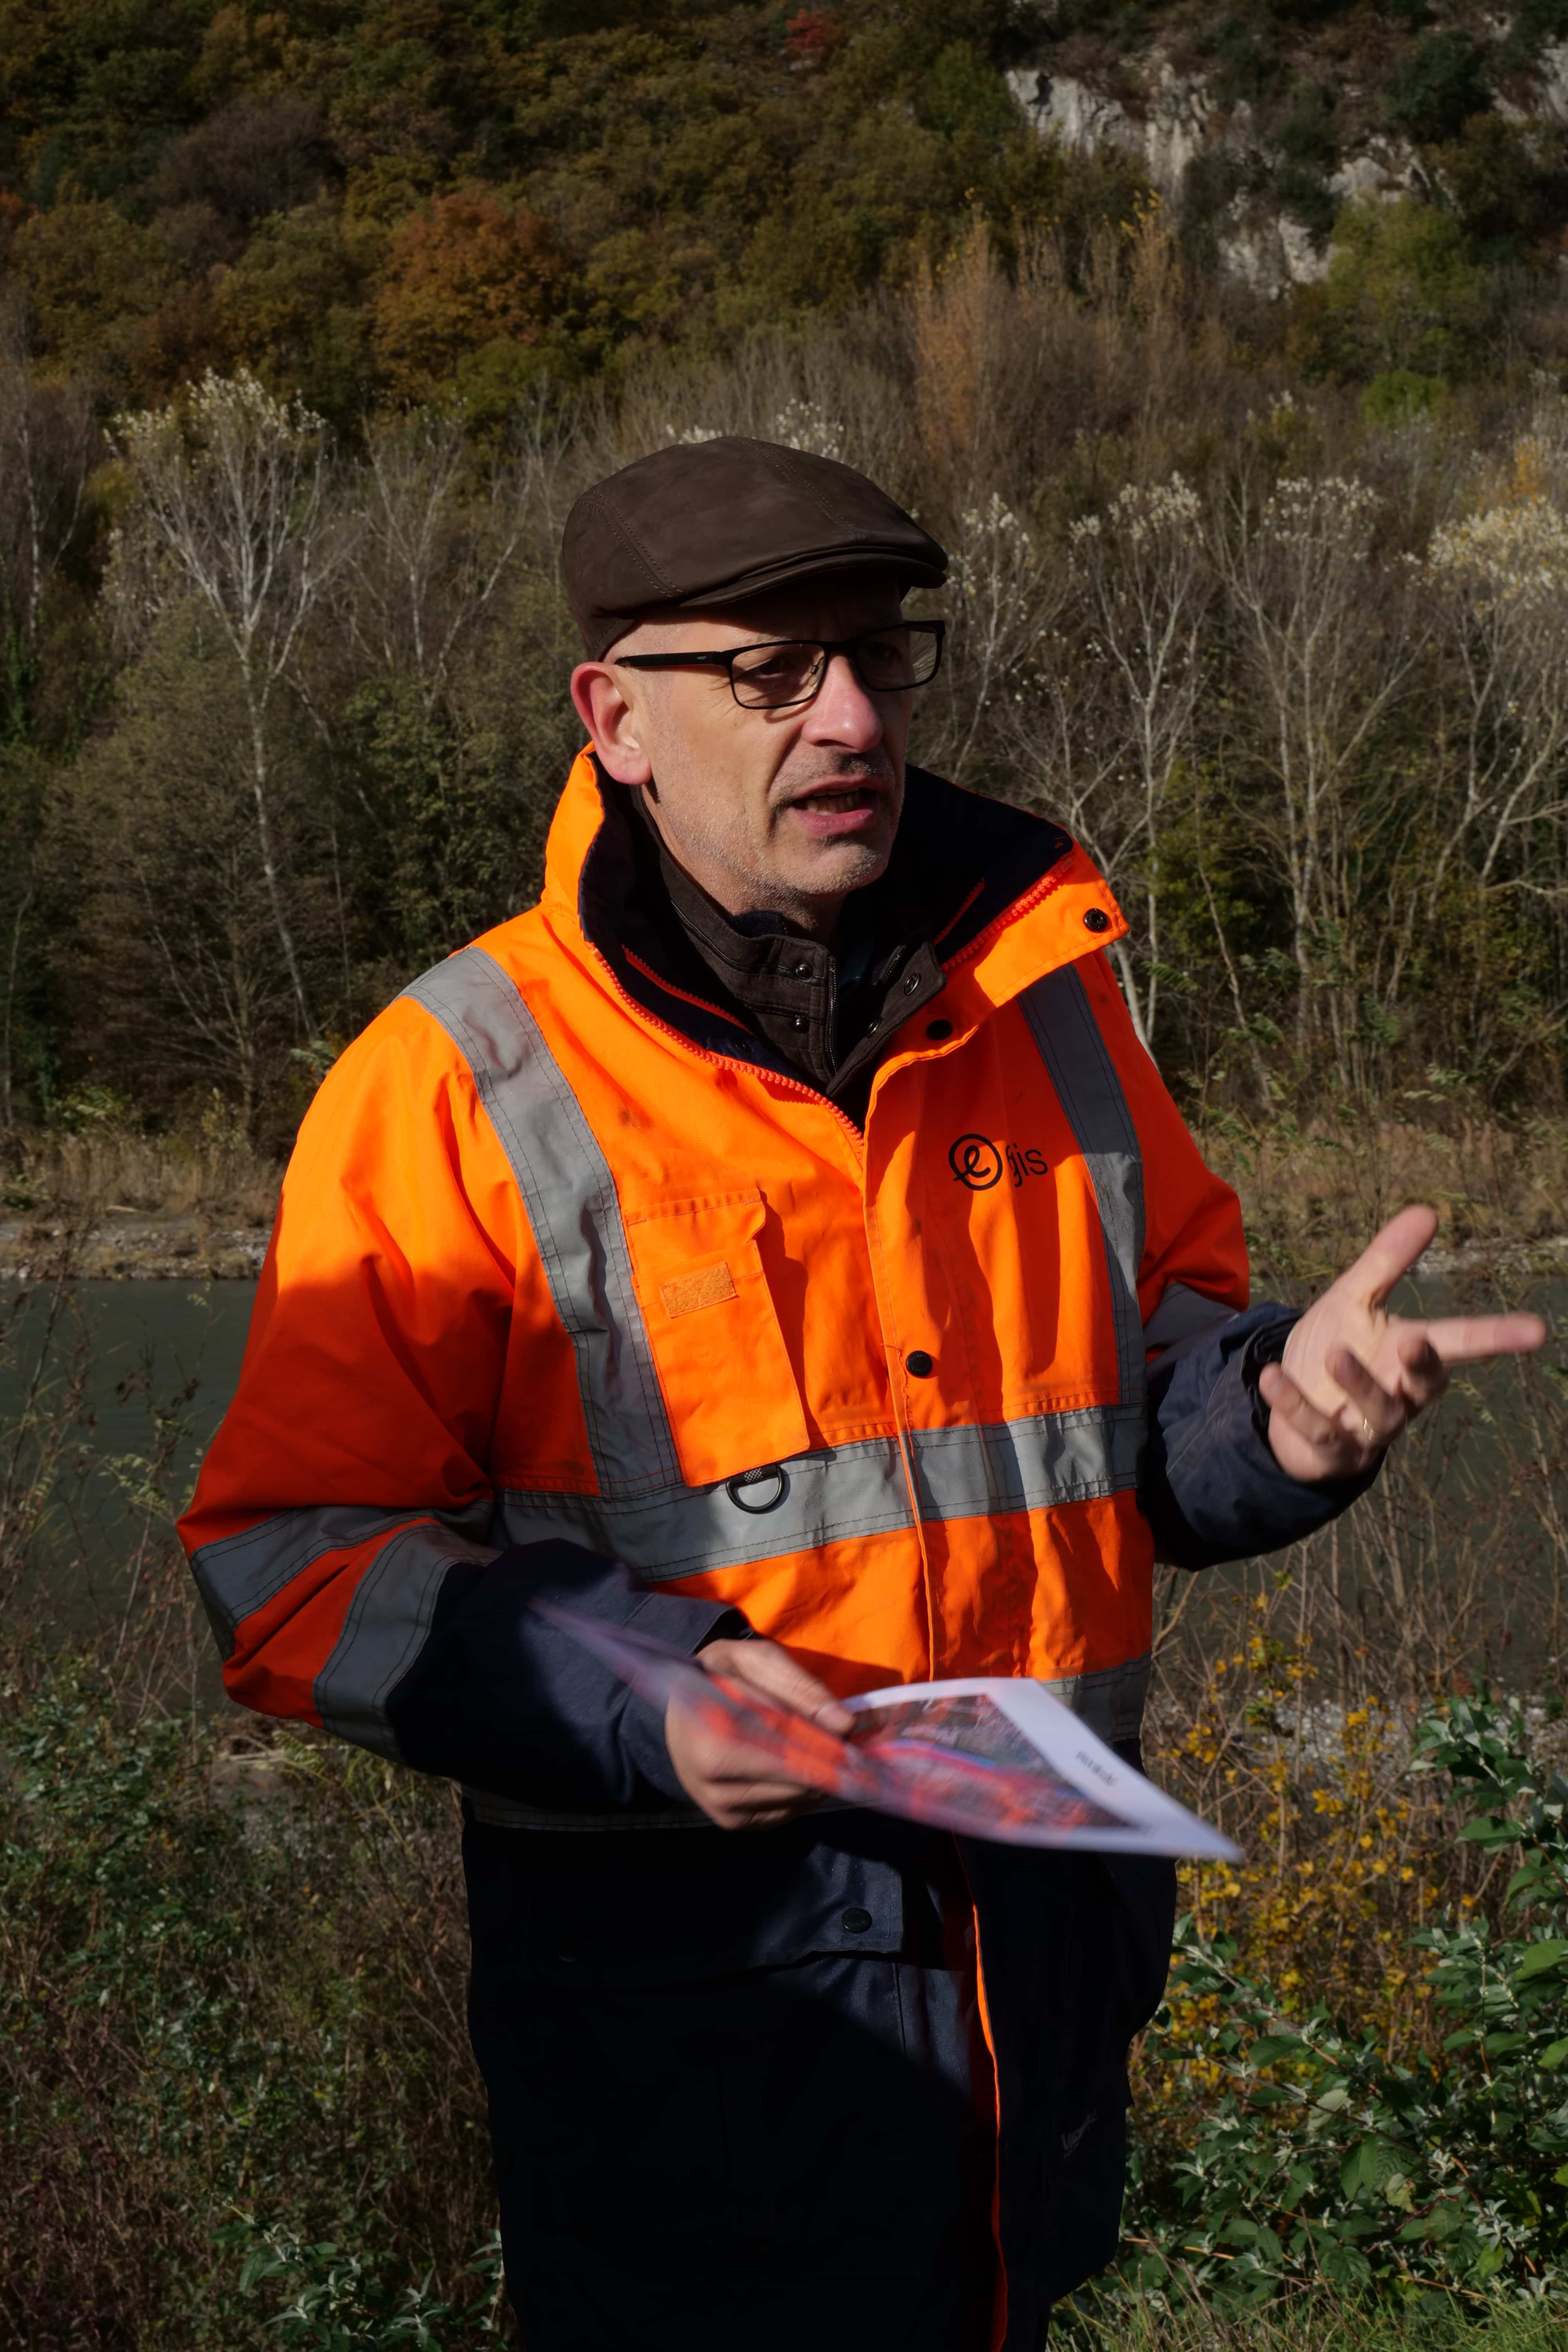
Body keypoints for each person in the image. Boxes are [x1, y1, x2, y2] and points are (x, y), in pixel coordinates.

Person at [179, 436, 1544, 2352]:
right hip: (694, 2073)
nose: (846, 715)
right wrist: (637, 1691)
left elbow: (1139, 1406)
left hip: (1036, 2031)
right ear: (614, 719)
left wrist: (1277, 1412)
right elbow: (286, 1560)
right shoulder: (455, 1082)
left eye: (877, 662)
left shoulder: (1045, 997)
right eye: (769, 673)